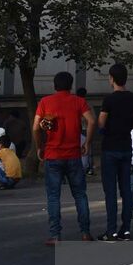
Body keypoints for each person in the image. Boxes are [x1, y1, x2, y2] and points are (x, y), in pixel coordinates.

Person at [33, 71, 96, 246]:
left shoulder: (45, 102)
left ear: (54, 85)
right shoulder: (78, 101)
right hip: (73, 155)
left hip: (53, 155)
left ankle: (56, 235)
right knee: (80, 195)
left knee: (53, 197)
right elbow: (91, 121)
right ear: (71, 85)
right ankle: (85, 233)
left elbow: (36, 127)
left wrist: (40, 147)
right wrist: (88, 143)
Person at [98, 63, 133, 241]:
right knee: (126, 189)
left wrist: (107, 129)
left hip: (110, 148)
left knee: (110, 191)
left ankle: (111, 230)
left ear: (112, 79)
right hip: (126, 146)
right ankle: (126, 228)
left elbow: (101, 122)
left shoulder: (109, 100)